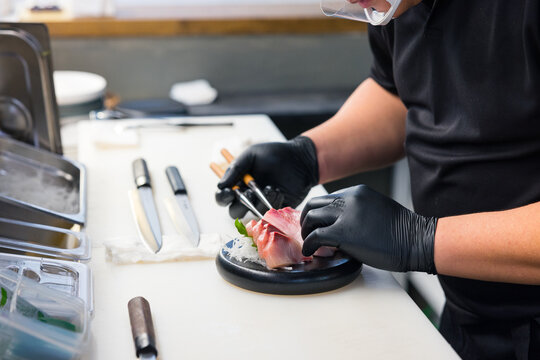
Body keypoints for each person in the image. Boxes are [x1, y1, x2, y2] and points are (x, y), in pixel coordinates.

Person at [215, 0, 540, 359]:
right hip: (469, 320)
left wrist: (419, 239)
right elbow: (401, 95)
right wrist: (310, 155)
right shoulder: (393, 5)